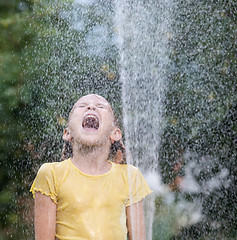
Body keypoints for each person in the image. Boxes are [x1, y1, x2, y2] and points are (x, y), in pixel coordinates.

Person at [30, 94, 152, 240]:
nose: (91, 107)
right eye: (81, 106)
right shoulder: (51, 174)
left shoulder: (130, 176)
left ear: (115, 133)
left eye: (101, 106)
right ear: (67, 133)